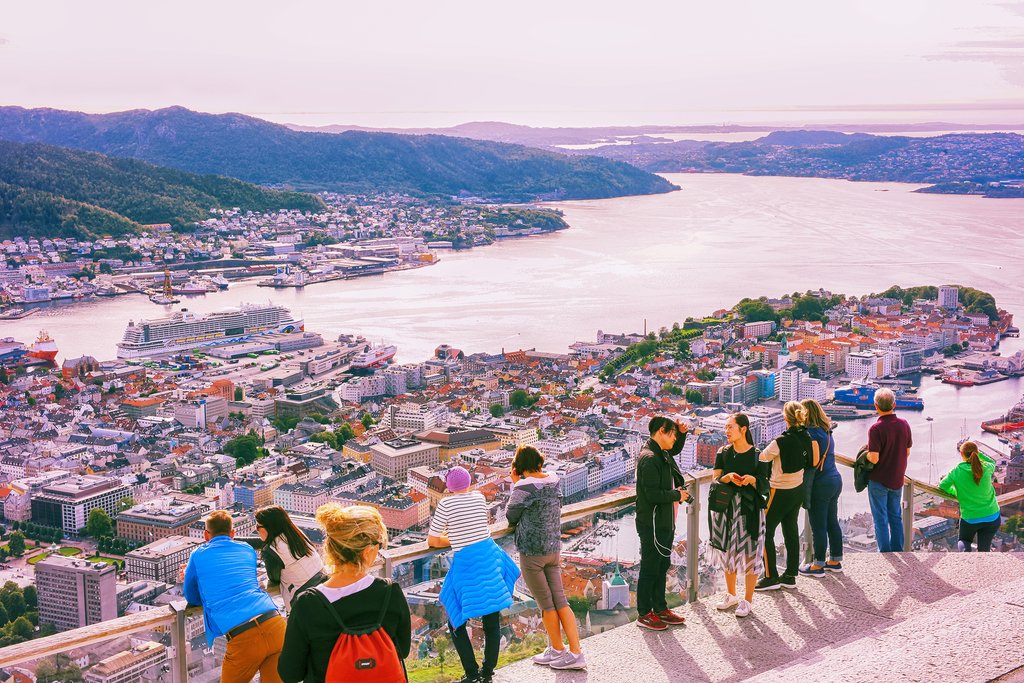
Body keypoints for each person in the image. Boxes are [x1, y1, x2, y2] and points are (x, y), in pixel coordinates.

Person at [278, 503, 411, 683]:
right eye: (379, 545)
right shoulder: (390, 593)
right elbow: (402, 649)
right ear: (367, 551)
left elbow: (290, 673)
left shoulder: (308, 604)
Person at [428, 466, 520, 683]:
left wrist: (453, 539)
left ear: (448, 488)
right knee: (491, 619)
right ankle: (487, 674)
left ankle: (471, 674)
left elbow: (432, 541)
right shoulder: (479, 498)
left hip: (467, 563)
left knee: (456, 619)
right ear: (469, 484)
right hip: (489, 556)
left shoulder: (445, 504)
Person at [505, 446, 585, 671]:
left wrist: (514, 483)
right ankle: (575, 651)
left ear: (519, 468)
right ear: (540, 462)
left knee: (546, 605)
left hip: (532, 551)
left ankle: (559, 649)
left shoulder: (524, 486)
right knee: (561, 601)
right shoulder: (554, 479)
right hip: (553, 547)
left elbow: (511, 515)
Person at [183, 510, 286, 683]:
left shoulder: (198, 554)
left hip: (243, 636)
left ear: (206, 535)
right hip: (275, 624)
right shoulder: (247, 549)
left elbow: (191, 596)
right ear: (233, 533)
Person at [711, 412, 770, 618]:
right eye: (726, 427)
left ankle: (747, 600)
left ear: (743, 429)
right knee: (728, 552)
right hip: (728, 509)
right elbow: (715, 479)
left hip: (750, 510)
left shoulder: (758, 455)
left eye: (730, 427)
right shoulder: (723, 452)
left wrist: (752, 480)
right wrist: (727, 477)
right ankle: (731, 594)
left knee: (750, 554)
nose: (726, 431)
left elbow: (765, 484)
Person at [634, 416, 690, 631]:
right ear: (660, 432)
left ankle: (660, 608)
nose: (675, 439)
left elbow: (674, 450)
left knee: (662, 565)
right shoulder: (649, 458)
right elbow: (652, 494)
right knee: (650, 567)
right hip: (652, 523)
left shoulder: (661, 452)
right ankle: (644, 613)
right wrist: (677, 495)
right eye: (672, 434)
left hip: (664, 521)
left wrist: (682, 434)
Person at [757, 401, 815, 591]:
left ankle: (770, 576)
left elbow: (763, 457)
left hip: (778, 490)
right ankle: (790, 575)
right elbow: (811, 461)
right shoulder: (806, 436)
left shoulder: (780, 442)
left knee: (765, 532)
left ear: (785, 418)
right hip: (797, 489)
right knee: (791, 531)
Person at [799, 399, 844, 576]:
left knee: (817, 524)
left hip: (821, 484)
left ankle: (818, 565)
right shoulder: (827, 431)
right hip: (834, 479)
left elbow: (813, 461)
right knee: (832, 522)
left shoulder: (811, 434)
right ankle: (835, 560)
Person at [866, 388, 913, 552]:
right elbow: (907, 452)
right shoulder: (904, 424)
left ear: (875, 406)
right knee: (895, 516)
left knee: (880, 518)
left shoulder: (875, 429)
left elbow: (874, 458)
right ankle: (898, 549)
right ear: (894, 404)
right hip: (897, 479)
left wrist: (864, 455)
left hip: (879, 479)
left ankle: (885, 553)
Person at [256, 505, 325, 613]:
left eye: (258, 527)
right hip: (321, 589)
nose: (256, 530)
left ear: (269, 528)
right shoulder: (297, 534)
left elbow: (274, 578)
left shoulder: (271, 551)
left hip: (301, 601)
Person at [940, 441, 1001, 552]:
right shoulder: (986, 467)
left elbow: (943, 486)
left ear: (962, 455)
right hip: (992, 515)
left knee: (964, 541)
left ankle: (966, 559)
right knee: (984, 548)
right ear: (977, 453)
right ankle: (983, 567)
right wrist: (978, 454)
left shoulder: (957, 471)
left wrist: (956, 492)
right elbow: (992, 461)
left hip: (970, 518)